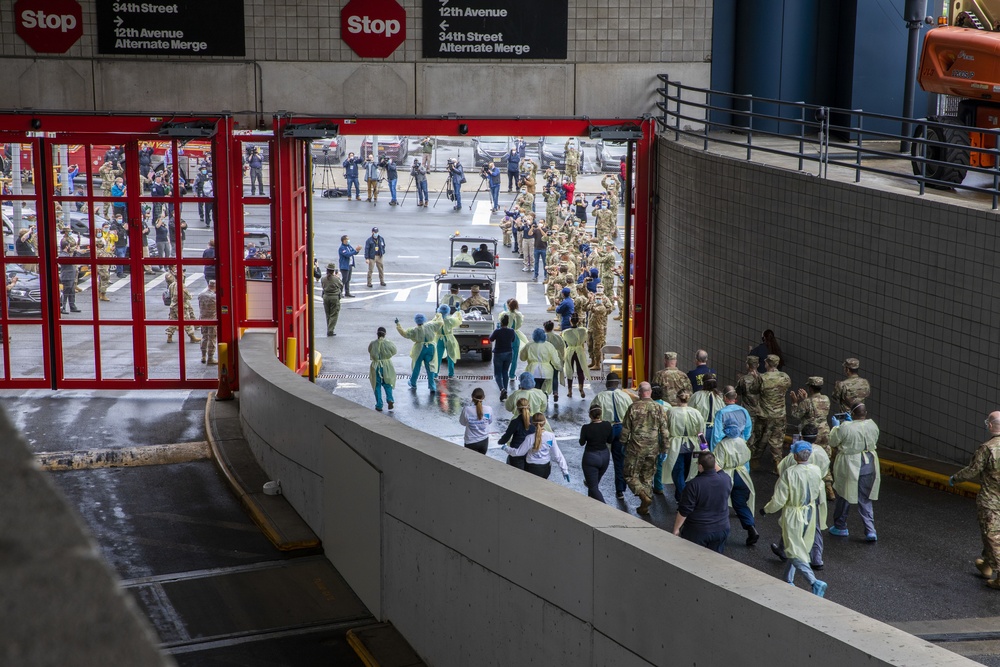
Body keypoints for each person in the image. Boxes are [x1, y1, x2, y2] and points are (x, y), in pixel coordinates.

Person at [761, 440, 828, 597]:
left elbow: (779, 499)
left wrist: (766, 510)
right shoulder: (816, 470)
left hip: (793, 514)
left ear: (795, 455)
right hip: (810, 512)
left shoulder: (790, 473)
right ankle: (788, 578)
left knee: (793, 550)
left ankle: (814, 582)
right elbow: (818, 490)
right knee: (800, 546)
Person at [950, 411, 1000, 588]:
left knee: (991, 534)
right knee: (994, 532)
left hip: (990, 500)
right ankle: (987, 564)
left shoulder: (987, 448)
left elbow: (972, 470)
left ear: (992, 426)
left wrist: (955, 478)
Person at [771, 424, 829, 570]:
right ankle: (817, 558)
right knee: (814, 524)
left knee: (789, 523)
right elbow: (825, 469)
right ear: (816, 437)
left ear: (801, 436)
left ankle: (784, 550)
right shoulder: (821, 452)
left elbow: (782, 469)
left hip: (796, 494)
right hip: (815, 492)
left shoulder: (794, 454)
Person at [829, 403, 880, 541]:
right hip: (869, 463)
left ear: (851, 414)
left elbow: (833, 441)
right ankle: (870, 530)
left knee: (844, 494)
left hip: (850, 465)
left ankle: (840, 526)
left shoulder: (845, 427)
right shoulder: (872, 425)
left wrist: (835, 427)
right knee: (865, 497)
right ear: (866, 412)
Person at [621, 382, 670, 515]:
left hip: (636, 448)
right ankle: (645, 507)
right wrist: (665, 449)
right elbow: (664, 431)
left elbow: (626, 429)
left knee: (629, 475)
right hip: (653, 448)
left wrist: (623, 443)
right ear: (650, 392)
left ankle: (643, 496)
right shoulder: (659, 408)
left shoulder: (633, 407)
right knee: (647, 476)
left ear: (639, 392)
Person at [673, 452, 732, 553]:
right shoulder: (726, 479)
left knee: (693, 561)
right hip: (722, 528)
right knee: (714, 560)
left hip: (698, 530)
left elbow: (684, 511)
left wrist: (676, 529)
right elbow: (718, 469)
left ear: (700, 466)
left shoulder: (694, 485)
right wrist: (709, 458)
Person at [590, 372, 636, 500]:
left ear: (606, 383)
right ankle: (620, 490)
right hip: (622, 428)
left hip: (606, 428)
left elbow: (593, 413)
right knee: (619, 460)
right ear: (618, 383)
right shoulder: (625, 396)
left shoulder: (600, 397)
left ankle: (593, 483)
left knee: (600, 456)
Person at [714, 420, 759, 545]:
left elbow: (718, 463)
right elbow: (748, 456)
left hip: (727, 475)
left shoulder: (722, 444)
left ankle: (719, 532)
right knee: (740, 504)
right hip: (742, 474)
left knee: (720, 504)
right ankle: (751, 528)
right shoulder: (742, 442)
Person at [790, 377, 834, 499]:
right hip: (825, 431)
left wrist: (794, 402)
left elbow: (796, 415)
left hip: (810, 433)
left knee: (807, 457)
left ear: (810, 388)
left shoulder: (806, 402)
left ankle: (809, 486)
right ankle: (829, 487)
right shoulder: (826, 399)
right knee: (824, 458)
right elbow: (815, 411)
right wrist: (805, 400)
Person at [663, 389, 706, 503]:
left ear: (677, 398)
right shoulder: (696, 412)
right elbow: (701, 432)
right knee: (690, 472)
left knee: (678, 472)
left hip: (676, 446)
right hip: (693, 445)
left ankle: (683, 498)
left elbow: (666, 429)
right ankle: (681, 497)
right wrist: (704, 447)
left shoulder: (671, 412)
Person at [502, 412, 569, 481]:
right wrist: (564, 470)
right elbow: (557, 454)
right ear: (545, 422)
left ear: (532, 423)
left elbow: (518, 453)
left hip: (532, 468)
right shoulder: (550, 436)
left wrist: (506, 448)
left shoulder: (530, 438)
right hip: (545, 468)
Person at [753, 354, 791, 473]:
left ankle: (755, 460)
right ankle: (777, 462)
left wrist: (755, 377)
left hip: (765, 414)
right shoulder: (785, 377)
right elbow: (786, 388)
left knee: (760, 437)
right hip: (780, 413)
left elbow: (753, 390)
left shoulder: (762, 377)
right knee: (778, 438)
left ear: (767, 364)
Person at [395, 313, 442, 393]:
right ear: (424, 320)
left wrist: (398, 324)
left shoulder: (414, 330)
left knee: (417, 367)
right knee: (430, 367)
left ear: (416, 321)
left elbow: (404, 333)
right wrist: (438, 315)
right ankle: (432, 386)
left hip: (419, 349)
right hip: (430, 348)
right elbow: (439, 323)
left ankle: (413, 382)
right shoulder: (430, 325)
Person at [579, 405, 613, 502]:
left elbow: (581, 443)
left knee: (593, 486)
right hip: (605, 456)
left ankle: (605, 508)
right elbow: (610, 440)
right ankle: (592, 503)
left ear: (590, 415)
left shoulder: (586, 428)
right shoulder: (607, 425)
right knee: (594, 483)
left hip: (591, 457)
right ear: (600, 414)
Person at [520, 327, 561, 395]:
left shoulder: (529, 345)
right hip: (546, 372)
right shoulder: (549, 346)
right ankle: (544, 399)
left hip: (532, 371)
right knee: (544, 391)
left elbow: (522, 358)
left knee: (535, 391)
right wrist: (559, 367)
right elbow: (555, 360)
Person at [712, 386, 752, 451]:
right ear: (735, 396)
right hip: (740, 444)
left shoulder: (721, 413)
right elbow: (748, 430)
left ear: (724, 397)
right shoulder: (744, 411)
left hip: (725, 447)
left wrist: (714, 450)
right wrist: (743, 440)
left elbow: (717, 436)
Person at [165, 269, 201, 343]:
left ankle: (169, 336)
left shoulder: (172, 284)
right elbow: (187, 296)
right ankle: (192, 336)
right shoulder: (181, 285)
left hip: (173, 305)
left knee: (173, 320)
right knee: (186, 321)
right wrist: (191, 295)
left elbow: (171, 294)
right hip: (180, 305)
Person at [690, 373, 724, 449]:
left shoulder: (697, 395)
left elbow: (690, 411)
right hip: (716, 430)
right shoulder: (720, 397)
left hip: (701, 430)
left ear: (703, 383)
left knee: (703, 450)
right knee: (714, 451)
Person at [498, 398, 533, 470]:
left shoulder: (515, 422)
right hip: (531, 453)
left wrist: (501, 441)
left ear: (517, 409)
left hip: (516, 453)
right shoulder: (534, 421)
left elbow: (507, 437)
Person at [368, 327, 397, 412]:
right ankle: (390, 399)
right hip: (387, 365)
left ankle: (379, 404)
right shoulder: (389, 343)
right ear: (385, 334)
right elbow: (394, 351)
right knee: (388, 383)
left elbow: (370, 350)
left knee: (376, 385)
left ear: (377, 334)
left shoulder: (372, 343)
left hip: (376, 365)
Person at [561, 313, 588, 399]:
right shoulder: (583, 330)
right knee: (580, 370)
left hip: (570, 351)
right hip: (579, 351)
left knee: (569, 370)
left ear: (570, 321)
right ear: (579, 321)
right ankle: (581, 388)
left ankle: (570, 390)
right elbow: (585, 339)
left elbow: (564, 341)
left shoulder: (566, 332)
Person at [459, 388, 493, 454]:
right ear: (484, 397)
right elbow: (490, 421)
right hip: (484, 440)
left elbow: (462, 423)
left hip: (470, 441)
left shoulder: (466, 410)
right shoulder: (489, 409)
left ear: (472, 397)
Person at [489, 314, 516, 399]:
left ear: (501, 322)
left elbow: (491, 339)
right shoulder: (511, 331)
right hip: (508, 353)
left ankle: (502, 389)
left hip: (499, 353)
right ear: (508, 322)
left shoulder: (497, 331)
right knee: (505, 372)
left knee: (497, 373)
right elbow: (513, 340)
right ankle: (505, 390)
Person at [433, 304, 462, 378]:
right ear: (448, 311)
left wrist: (437, 315)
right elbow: (458, 321)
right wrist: (458, 312)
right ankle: (451, 374)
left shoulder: (437, 320)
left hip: (439, 339)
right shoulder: (450, 320)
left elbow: (432, 325)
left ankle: (435, 373)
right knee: (451, 357)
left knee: (438, 357)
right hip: (449, 339)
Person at [504, 299, 527, 384]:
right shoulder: (519, 315)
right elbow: (519, 324)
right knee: (514, 358)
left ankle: (505, 372)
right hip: (516, 336)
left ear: (508, 306)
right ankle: (512, 375)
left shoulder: (505, 314)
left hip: (506, 336)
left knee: (506, 356)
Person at [543, 320, 565, 402]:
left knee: (546, 377)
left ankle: (545, 393)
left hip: (546, 359)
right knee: (555, 376)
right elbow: (562, 348)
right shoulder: (558, 337)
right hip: (556, 358)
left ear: (545, 328)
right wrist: (562, 358)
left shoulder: (543, 337)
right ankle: (555, 392)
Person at [320, 263, 343, 336]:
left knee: (328, 314)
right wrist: (337, 277)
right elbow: (341, 285)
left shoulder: (323, 279)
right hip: (334, 297)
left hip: (326, 296)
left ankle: (329, 328)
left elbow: (323, 286)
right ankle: (330, 330)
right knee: (334, 314)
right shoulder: (336, 279)